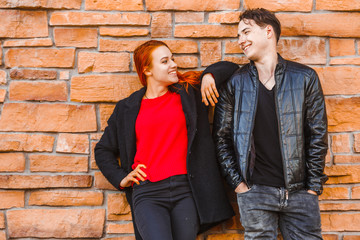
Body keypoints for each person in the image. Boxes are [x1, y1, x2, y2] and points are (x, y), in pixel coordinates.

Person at [201, 8, 328, 240]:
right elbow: (221, 138)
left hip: (300, 193)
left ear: (268, 31)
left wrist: (312, 188)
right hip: (255, 192)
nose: (241, 40)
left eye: (246, 32)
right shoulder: (235, 84)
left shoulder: (305, 78)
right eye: (238, 35)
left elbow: (318, 136)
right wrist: (240, 186)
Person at [95, 40, 238, 240]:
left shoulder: (189, 94)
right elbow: (103, 150)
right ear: (147, 70)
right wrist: (121, 178)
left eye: (172, 59)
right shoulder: (126, 108)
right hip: (148, 193)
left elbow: (231, 68)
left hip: (186, 191)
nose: (173, 64)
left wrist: (209, 76)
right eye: (165, 61)